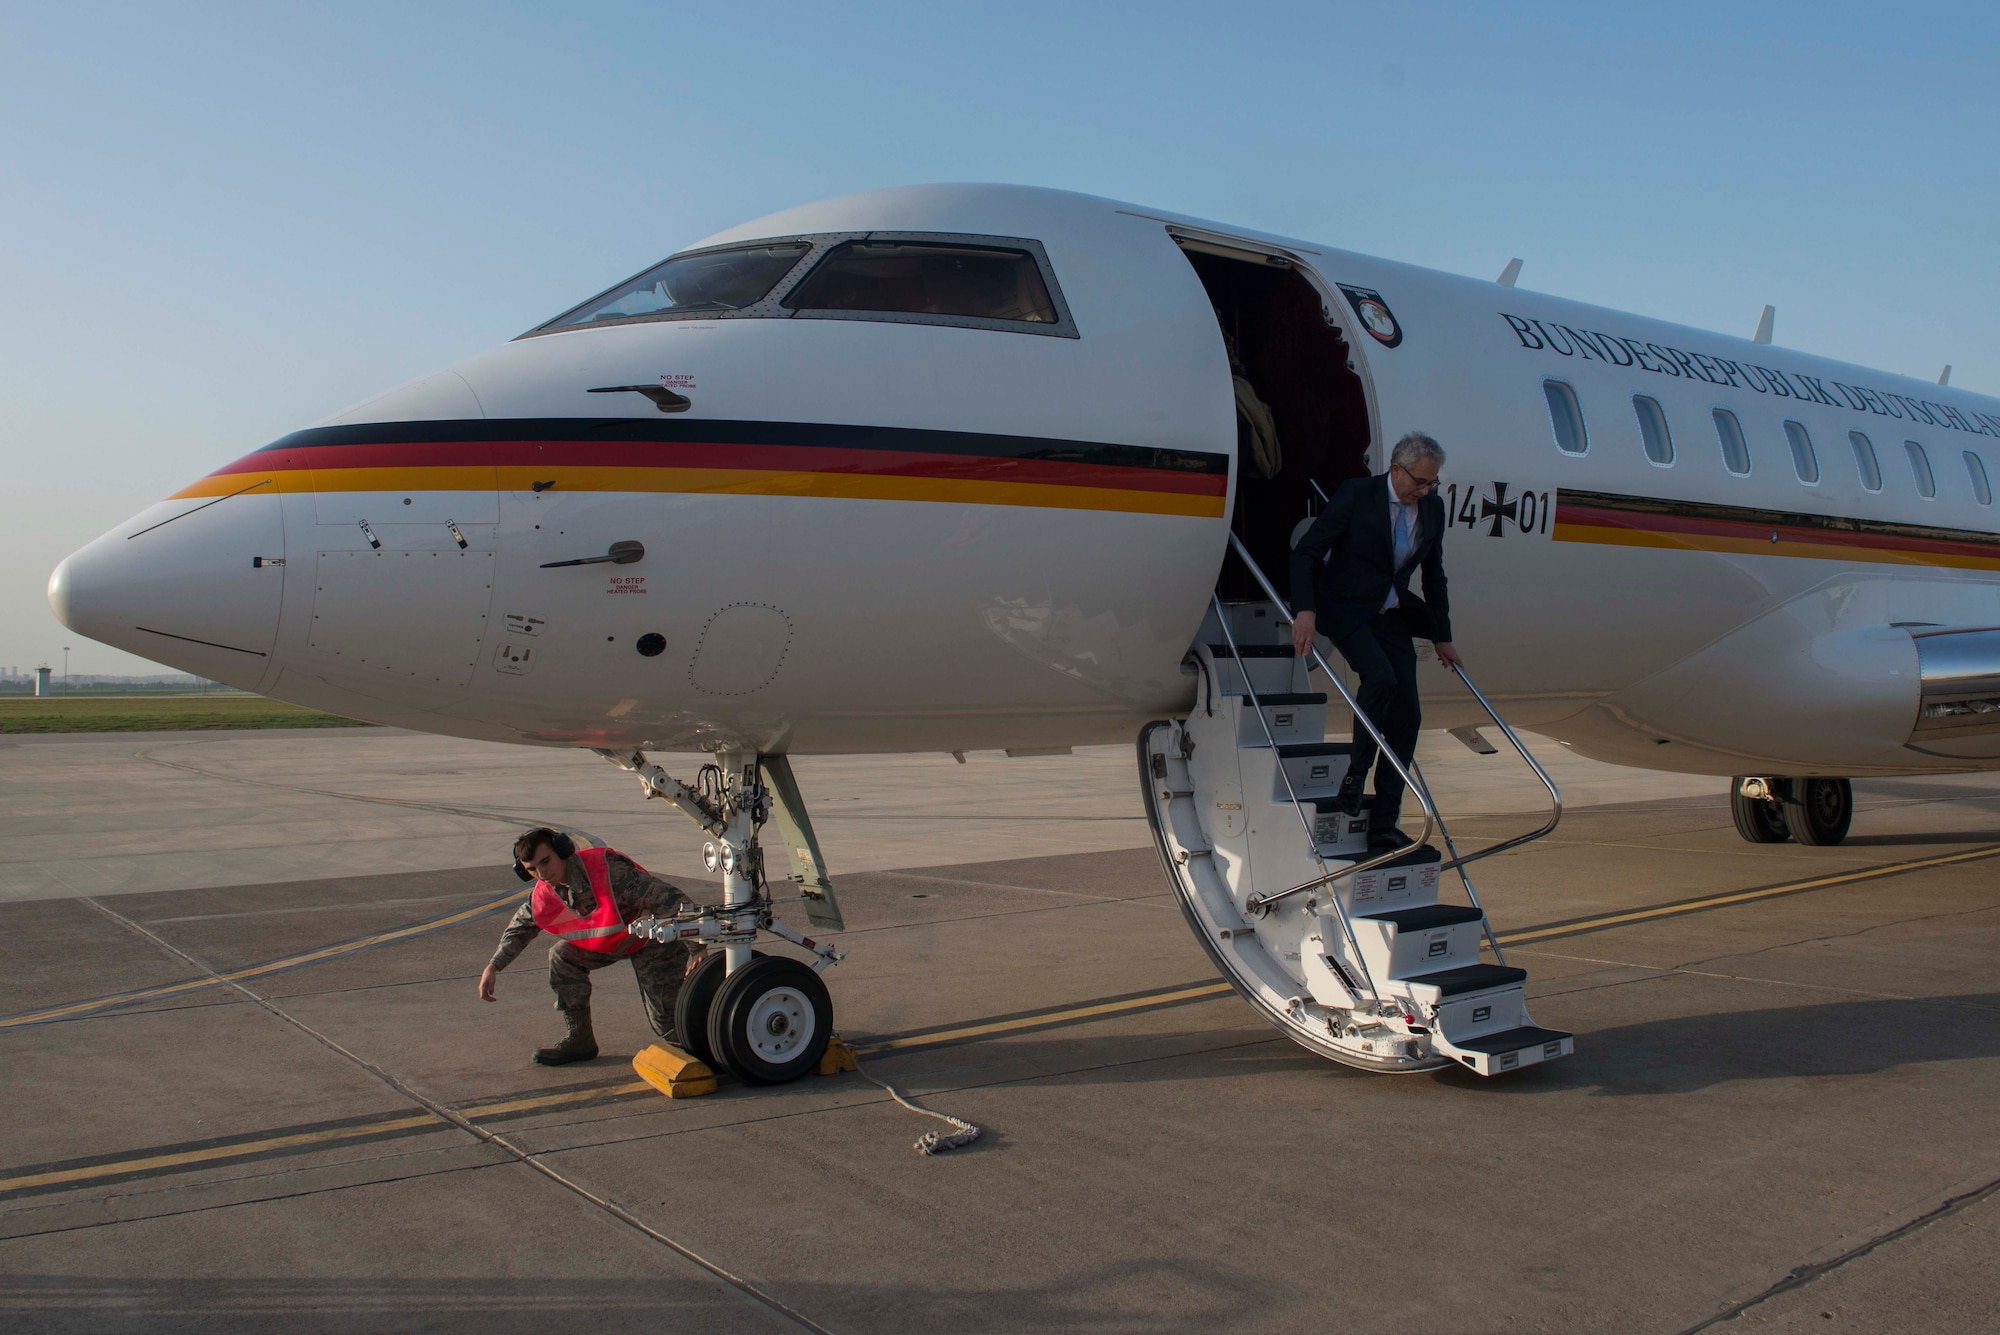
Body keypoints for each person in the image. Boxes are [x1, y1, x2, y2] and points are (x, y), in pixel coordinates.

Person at [1287, 431, 1462, 850]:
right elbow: (1306, 553)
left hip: (1391, 616)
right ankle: (1355, 774)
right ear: (1396, 469)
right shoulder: (1357, 495)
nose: (1426, 490)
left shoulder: (1432, 510)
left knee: (1408, 718)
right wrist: (1305, 611)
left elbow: (1433, 577)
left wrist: (1442, 635)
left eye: (1432, 483)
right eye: (1420, 482)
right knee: (1380, 678)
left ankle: (1385, 822)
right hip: (1345, 607)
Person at [478, 828, 692, 1066]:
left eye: (546, 862)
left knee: (667, 1025)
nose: (542, 873)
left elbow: (674, 901)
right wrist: (493, 966)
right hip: (615, 942)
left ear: (563, 851)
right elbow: (520, 928)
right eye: (532, 869)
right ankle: (580, 1041)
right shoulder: (547, 892)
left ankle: (710, 1048)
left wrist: (697, 948)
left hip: (654, 941)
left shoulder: (609, 872)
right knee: (562, 956)